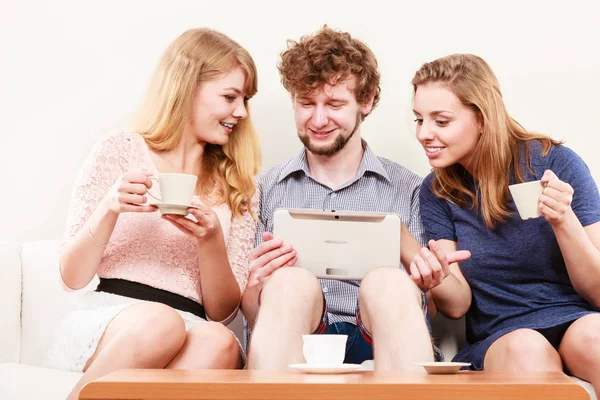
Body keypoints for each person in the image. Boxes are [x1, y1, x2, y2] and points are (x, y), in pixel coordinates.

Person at [44, 28, 261, 399]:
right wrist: (109, 208)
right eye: (230, 97)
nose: (240, 112)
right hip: (114, 319)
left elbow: (223, 312)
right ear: (187, 87)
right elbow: (71, 277)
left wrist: (210, 241)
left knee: (221, 343)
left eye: (245, 100)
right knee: (161, 322)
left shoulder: (238, 185)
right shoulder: (120, 150)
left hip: (192, 323)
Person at [240, 26, 470, 371]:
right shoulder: (263, 190)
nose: (318, 119)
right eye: (306, 103)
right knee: (289, 282)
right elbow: (252, 314)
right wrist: (259, 283)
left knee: (387, 281)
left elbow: (442, 306)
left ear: (366, 100)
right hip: (298, 345)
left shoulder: (410, 189)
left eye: (334, 104)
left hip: (380, 345)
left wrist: (425, 274)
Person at [413, 53, 600, 396]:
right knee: (527, 350)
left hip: (577, 318)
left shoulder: (554, 162)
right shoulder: (438, 190)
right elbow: (456, 306)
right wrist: (436, 278)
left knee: (597, 338)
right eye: (418, 119)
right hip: (503, 334)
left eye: (440, 121)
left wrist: (564, 220)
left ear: (482, 119)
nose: (424, 133)